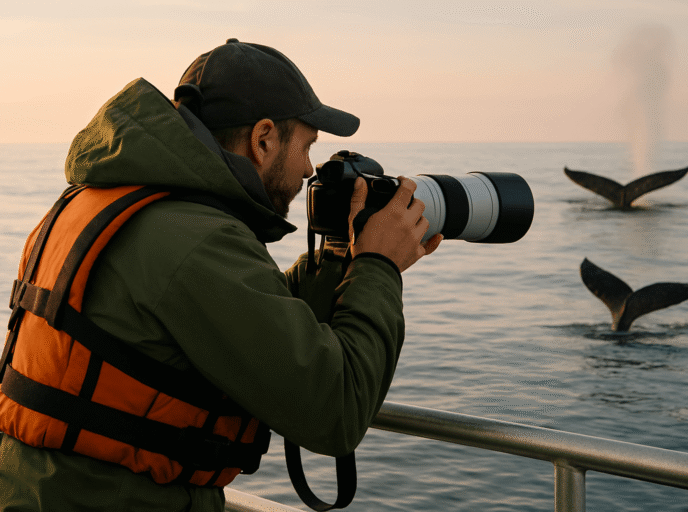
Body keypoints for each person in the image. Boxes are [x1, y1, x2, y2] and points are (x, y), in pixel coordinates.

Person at [0, 39, 441, 511]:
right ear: (264, 138)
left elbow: (232, 317)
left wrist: (338, 258)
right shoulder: (195, 238)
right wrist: (378, 267)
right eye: (308, 146)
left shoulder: (97, 202)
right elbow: (336, 411)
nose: (310, 169)